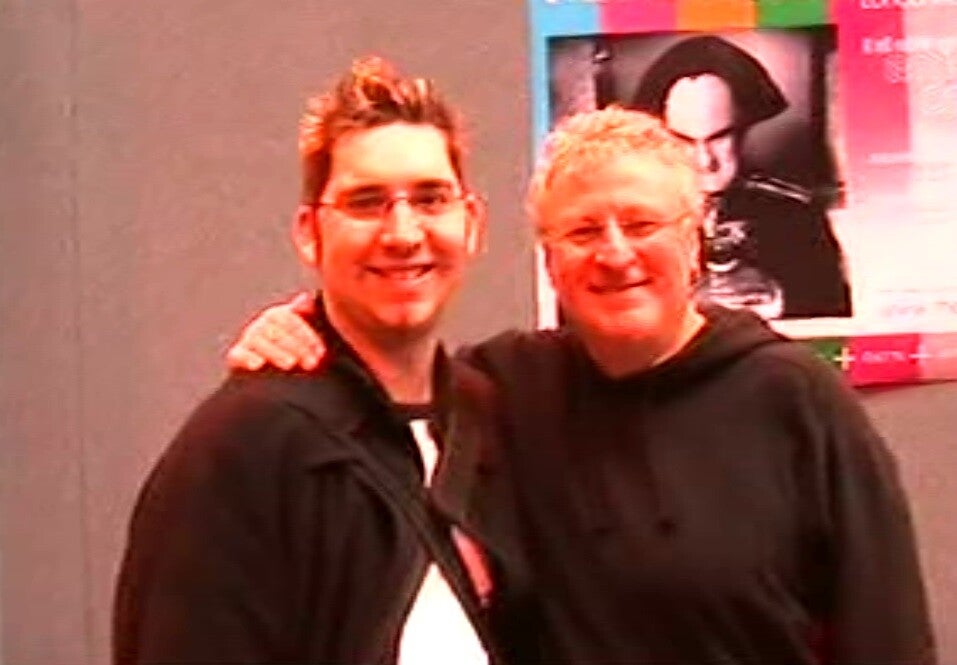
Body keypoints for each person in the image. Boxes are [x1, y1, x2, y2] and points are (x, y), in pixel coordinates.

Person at [227, 107, 935, 664]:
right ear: (550, 260)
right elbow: (379, 385)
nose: (615, 253)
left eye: (641, 223)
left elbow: (887, 636)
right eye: (583, 231)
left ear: (694, 239)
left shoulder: (797, 403)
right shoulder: (496, 392)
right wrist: (300, 330)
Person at [113, 56, 534, 665]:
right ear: (309, 233)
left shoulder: (494, 420)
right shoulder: (244, 450)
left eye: (431, 198)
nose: (403, 233)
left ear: (471, 223)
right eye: (366, 202)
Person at [630, 34, 852, 320]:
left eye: (720, 137)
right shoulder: (632, 216)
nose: (705, 161)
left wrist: (773, 298)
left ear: (743, 131)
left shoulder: (792, 212)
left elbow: (836, 306)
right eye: (684, 141)